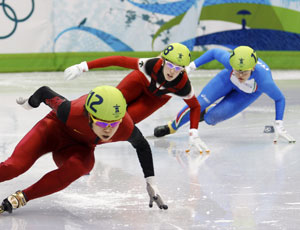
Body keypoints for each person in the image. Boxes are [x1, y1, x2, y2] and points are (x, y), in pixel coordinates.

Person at [0, 85, 168, 214]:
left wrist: (151, 182)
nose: (108, 130)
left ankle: (21, 198)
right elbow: (44, 92)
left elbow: (143, 146)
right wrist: (30, 103)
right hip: (52, 131)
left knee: (84, 165)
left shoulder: (125, 127)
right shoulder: (70, 111)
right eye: (102, 123)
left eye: (114, 123)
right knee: (14, 167)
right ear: (89, 116)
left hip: (77, 149)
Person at [64, 43, 209, 153]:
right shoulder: (150, 65)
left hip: (155, 100)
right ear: (163, 60)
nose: (172, 71)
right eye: (170, 64)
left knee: (122, 125)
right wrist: (83, 66)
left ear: (184, 69)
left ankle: (85, 147)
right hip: (138, 82)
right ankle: (72, 124)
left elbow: (195, 106)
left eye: (178, 68)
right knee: (108, 107)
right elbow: (118, 60)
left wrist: (193, 132)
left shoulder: (183, 86)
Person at [154, 46, 296, 144]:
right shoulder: (229, 61)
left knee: (211, 118)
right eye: (237, 70)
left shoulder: (264, 81)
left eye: (244, 72)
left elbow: (279, 99)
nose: (240, 75)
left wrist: (279, 124)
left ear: (253, 68)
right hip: (227, 80)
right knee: (199, 103)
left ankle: (208, 111)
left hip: (247, 94)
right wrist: (191, 66)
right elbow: (214, 52)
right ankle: (171, 126)